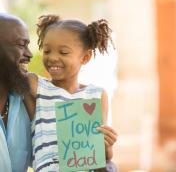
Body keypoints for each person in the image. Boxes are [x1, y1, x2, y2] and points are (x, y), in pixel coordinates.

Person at [24, 14, 118, 171]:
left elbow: (102, 156)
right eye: (47, 51)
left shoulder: (97, 95)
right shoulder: (36, 86)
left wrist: (107, 144)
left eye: (63, 52)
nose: (53, 58)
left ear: (85, 57)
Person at [0, 13, 32, 172]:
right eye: (21, 45)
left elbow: (56, 156)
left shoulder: (29, 103)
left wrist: (104, 156)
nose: (30, 54)